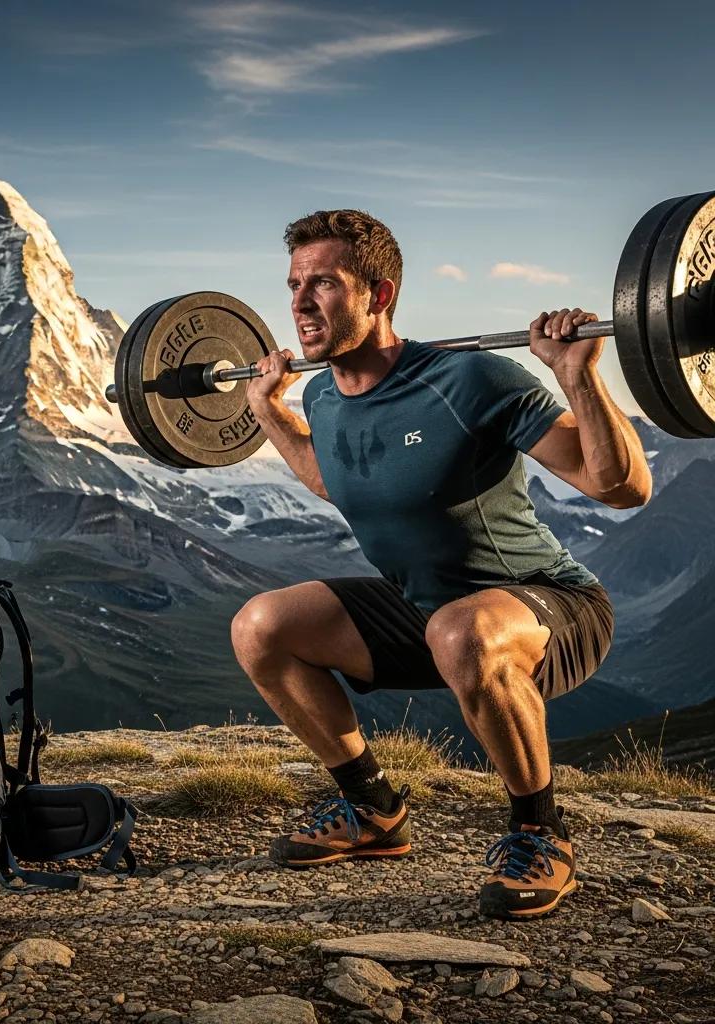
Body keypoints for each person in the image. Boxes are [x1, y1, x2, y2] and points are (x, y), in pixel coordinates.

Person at [231, 209, 651, 920]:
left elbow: (620, 487)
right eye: (295, 284)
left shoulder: (470, 379)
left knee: (464, 631)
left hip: (547, 606)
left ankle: (541, 834)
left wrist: (578, 378)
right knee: (260, 627)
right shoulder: (325, 396)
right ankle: (372, 808)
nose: (301, 303)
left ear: (379, 294)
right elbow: (334, 476)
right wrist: (269, 412)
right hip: (426, 613)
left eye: (324, 284)